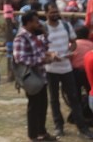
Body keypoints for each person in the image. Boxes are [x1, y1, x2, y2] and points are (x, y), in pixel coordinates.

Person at [43, 3, 93, 138]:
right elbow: (40, 48)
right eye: (52, 12)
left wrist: (70, 51)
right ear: (46, 13)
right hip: (51, 69)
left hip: (66, 67)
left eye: (56, 11)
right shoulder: (43, 28)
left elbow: (74, 42)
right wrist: (51, 55)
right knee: (54, 99)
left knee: (74, 98)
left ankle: (82, 128)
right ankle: (58, 126)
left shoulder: (65, 25)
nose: (54, 14)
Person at [13, 10, 59, 142]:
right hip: (32, 77)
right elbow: (20, 58)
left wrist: (45, 36)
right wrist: (42, 60)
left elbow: (42, 49)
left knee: (42, 105)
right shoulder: (21, 38)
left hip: (41, 76)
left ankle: (41, 132)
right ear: (28, 23)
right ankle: (33, 136)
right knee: (34, 106)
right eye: (36, 21)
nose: (38, 23)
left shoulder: (33, 35)